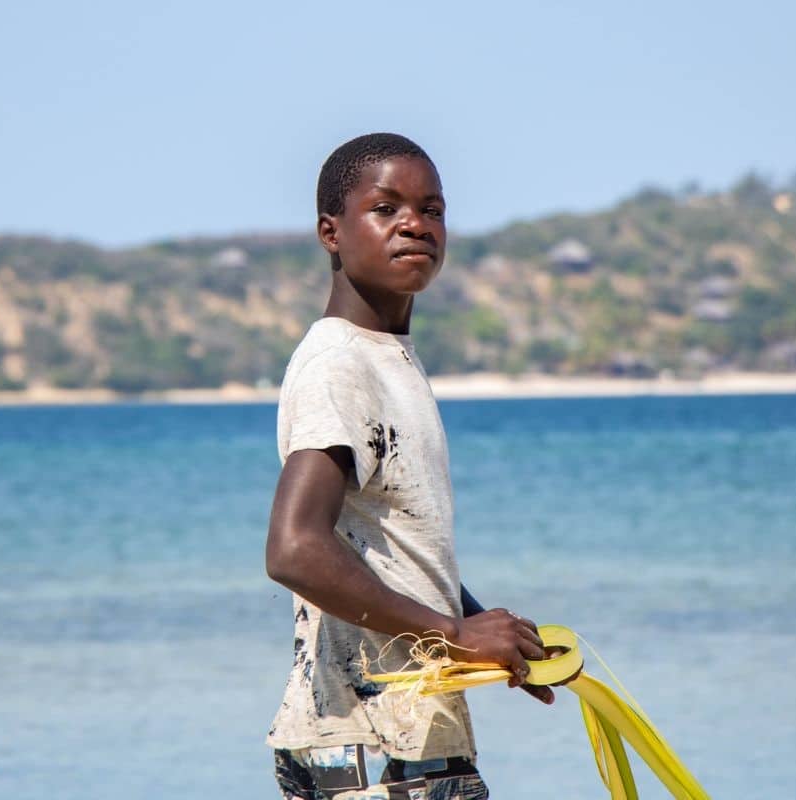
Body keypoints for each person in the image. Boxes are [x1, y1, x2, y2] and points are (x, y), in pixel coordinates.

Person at [264, 132, 562, 800]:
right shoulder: (338, 364)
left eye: (433, 209)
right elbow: (294, 549)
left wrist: (496, 637)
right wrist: (453, 634)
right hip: (369, 749)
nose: (415, 224)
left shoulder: (386, 357)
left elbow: (389, 550)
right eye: (386, 207)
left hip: (412, 736)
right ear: (330, 232)